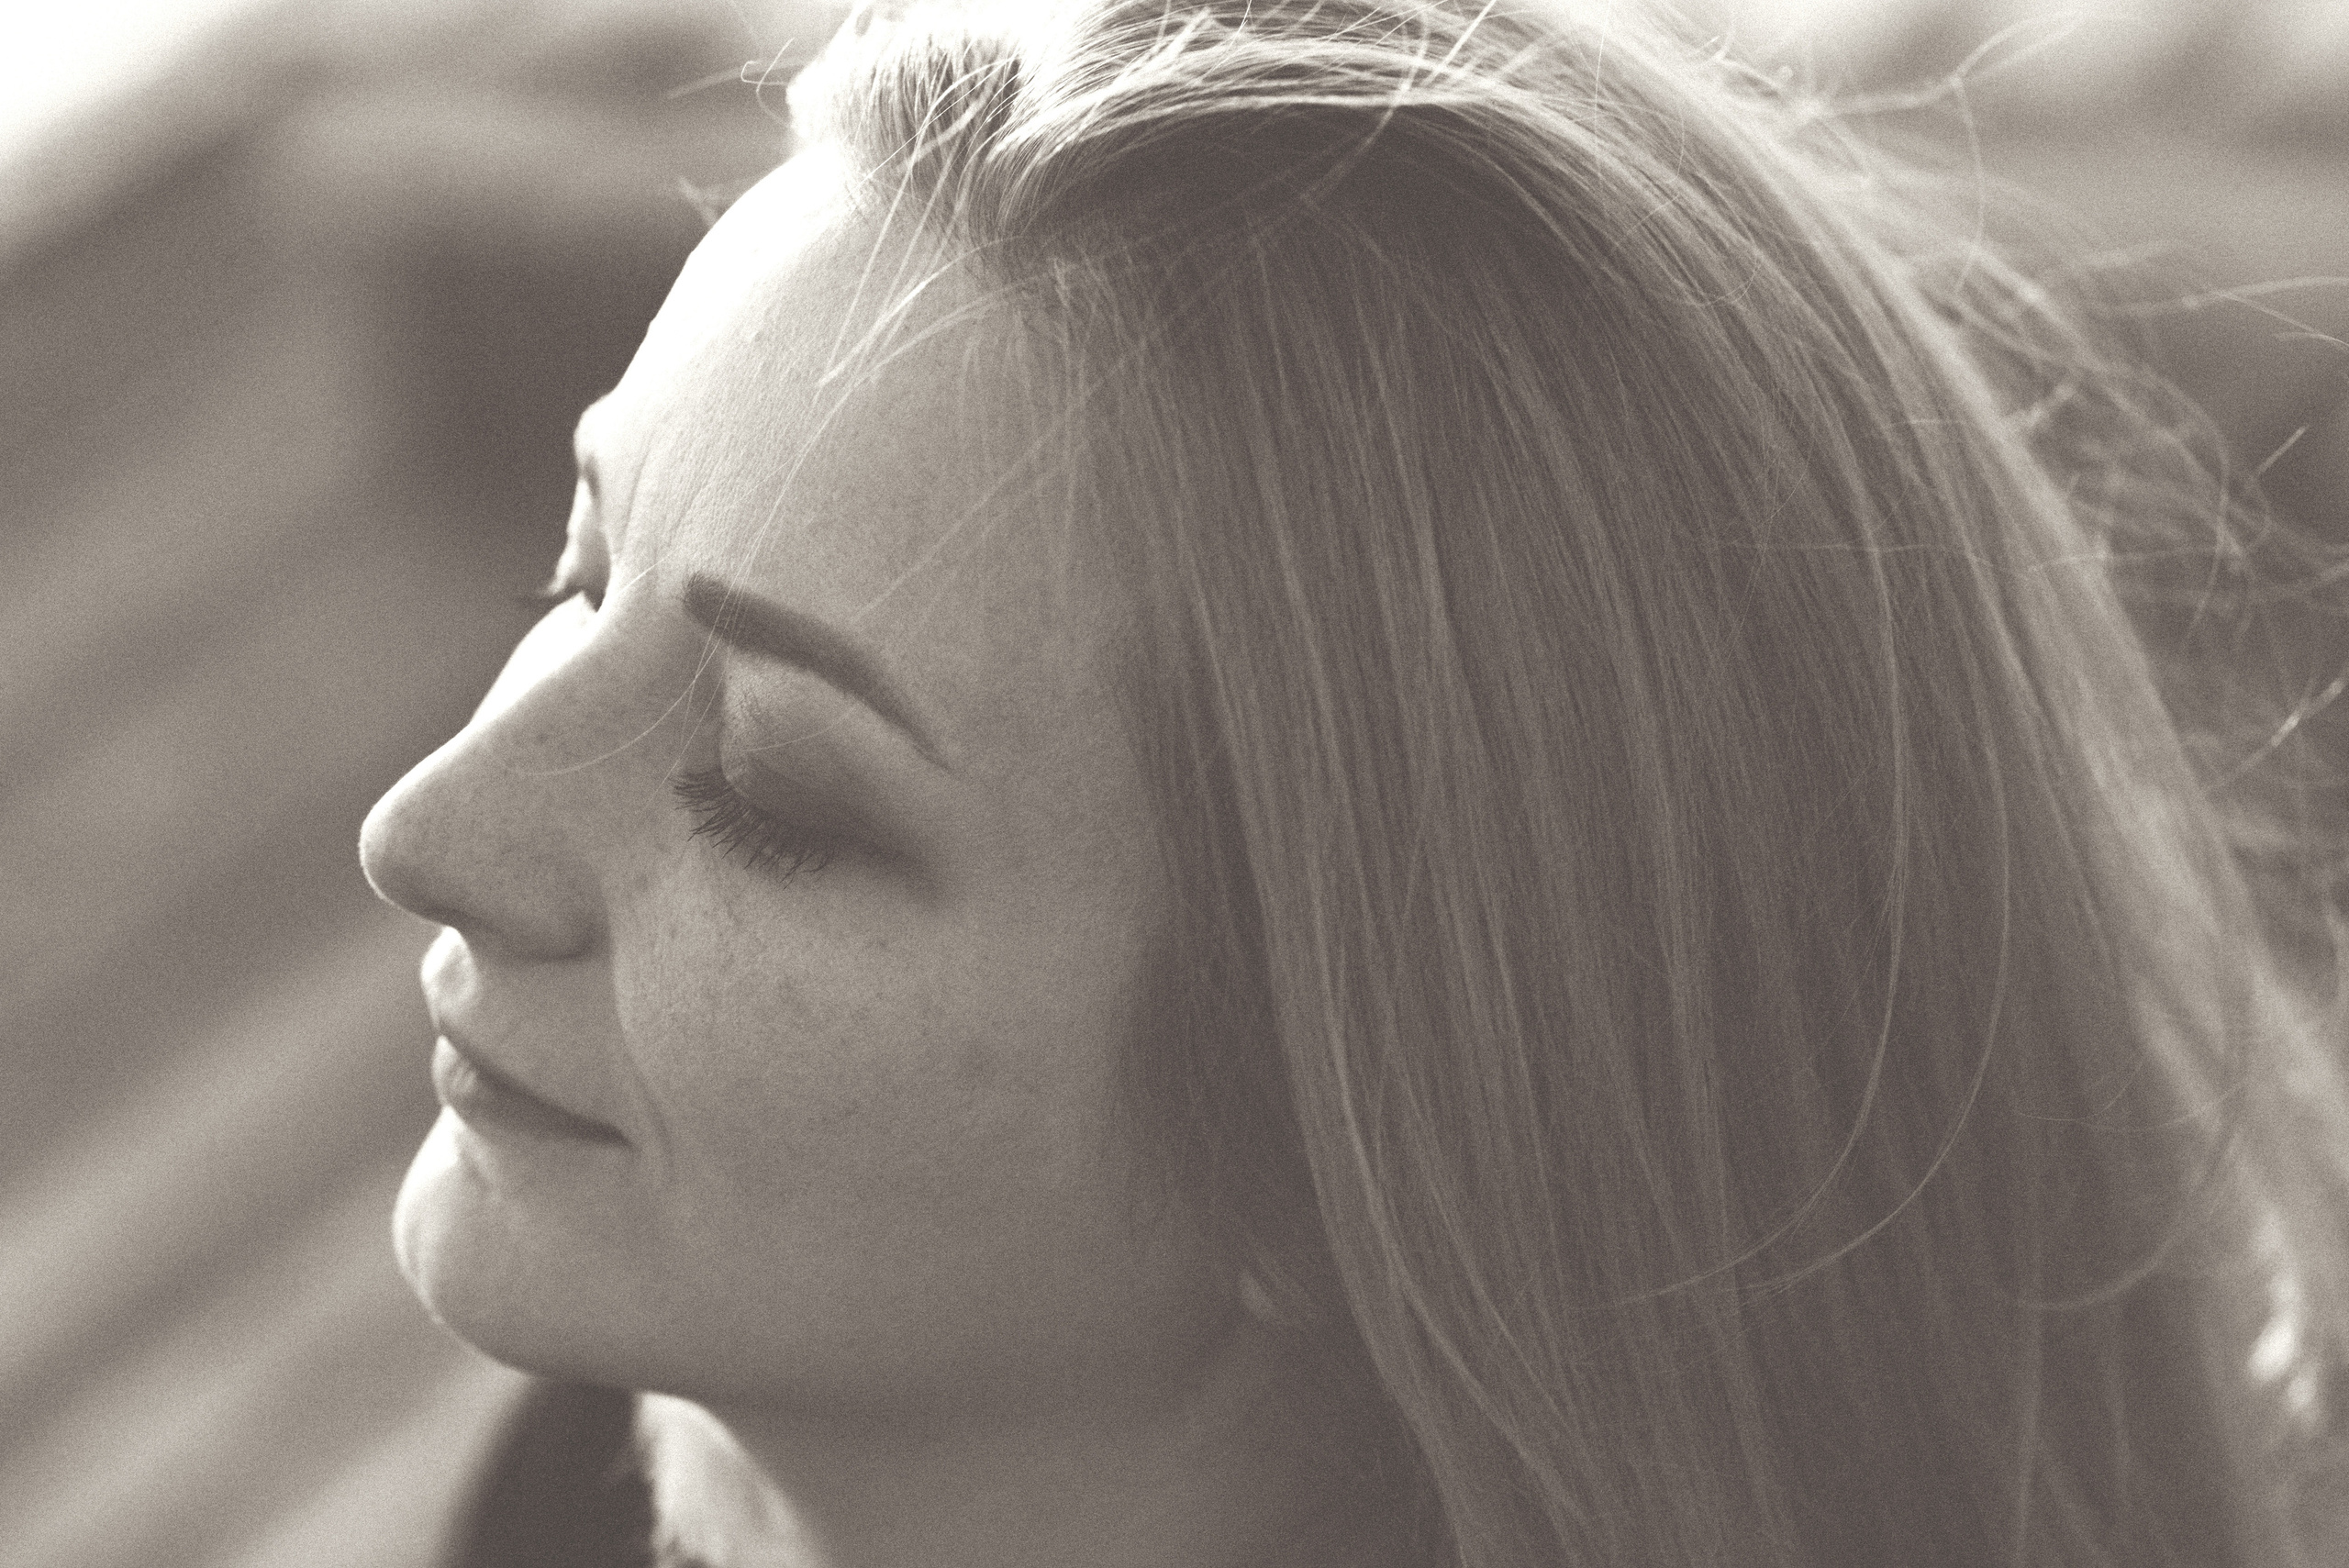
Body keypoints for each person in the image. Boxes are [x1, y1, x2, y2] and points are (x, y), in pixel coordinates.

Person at [356, 1, 2349, 1562]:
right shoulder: (582, 1483)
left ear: (1356, 1148)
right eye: (577, 571)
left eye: (771, 790)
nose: (428, 831)